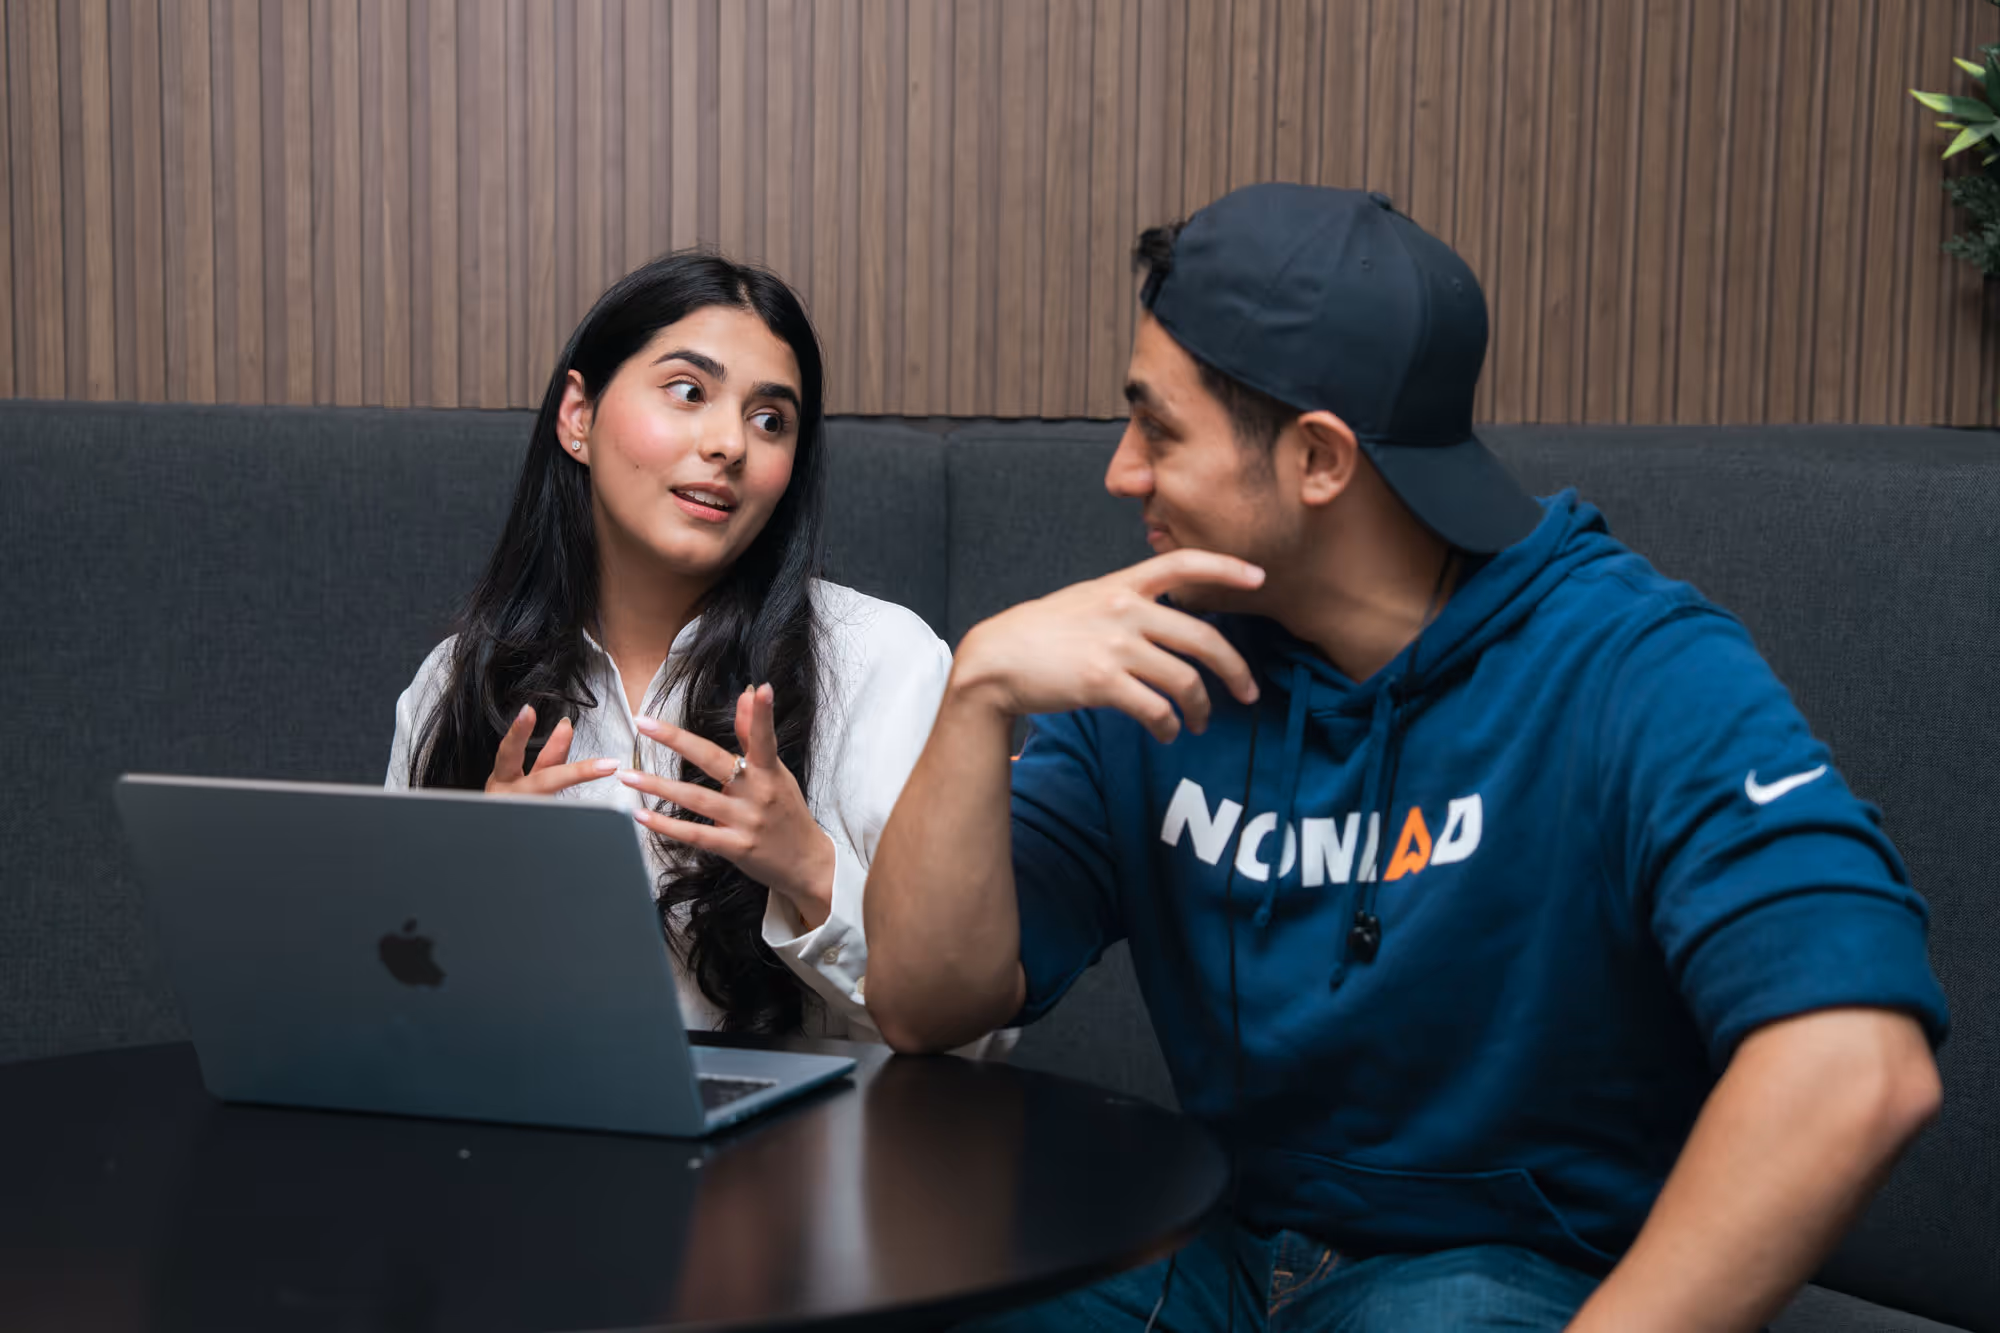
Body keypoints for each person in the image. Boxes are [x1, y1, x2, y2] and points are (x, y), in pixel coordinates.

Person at [864, 185, 1948, 1330]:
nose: (1120, 471)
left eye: (1160, 428)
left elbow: (1857, 1064)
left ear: (1318, 460)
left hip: (1501, 1277)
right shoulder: (1155, 654)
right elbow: (925, 1004)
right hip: (1213, 1249)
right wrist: (977, 694)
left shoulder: (1628, 665)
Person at [387, 251, 952, 1040]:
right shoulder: (456, 684)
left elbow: (973, 1031)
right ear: (577, 417)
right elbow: (395, 1015)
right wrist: (474, 887)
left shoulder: (885, 665)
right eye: (689, 392)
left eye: (770, 420)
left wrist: (809, 870)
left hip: (806, 1153)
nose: (730, 443)